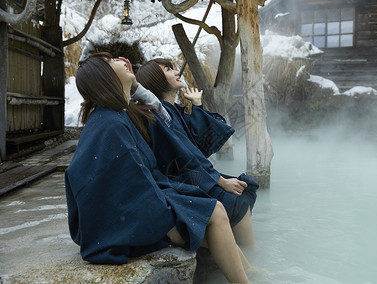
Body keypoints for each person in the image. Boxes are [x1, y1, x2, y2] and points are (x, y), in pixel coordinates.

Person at [64, 52, 250, 283]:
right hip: (121, 218)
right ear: (103, 77)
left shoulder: (120, 114)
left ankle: (251, 273)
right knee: (214, 212)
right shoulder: (108, 125)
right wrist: (169, 216)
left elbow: (162, 122)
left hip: (138, 203)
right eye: (112, 61)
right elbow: (112, 183)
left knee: (211, 212)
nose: (122, 59)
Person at [134, 58, 258, 246]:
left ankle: (245, 252)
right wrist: (220, 181)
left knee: (242, 189)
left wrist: (197, 104)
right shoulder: (158, 113)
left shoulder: (171, 110)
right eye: (168, 69)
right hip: (177, 179)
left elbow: (197, 141)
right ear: (155, 79)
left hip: (187, 173)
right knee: (236, 200)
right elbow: (186, 152)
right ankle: (249, 253)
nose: (176, 72)